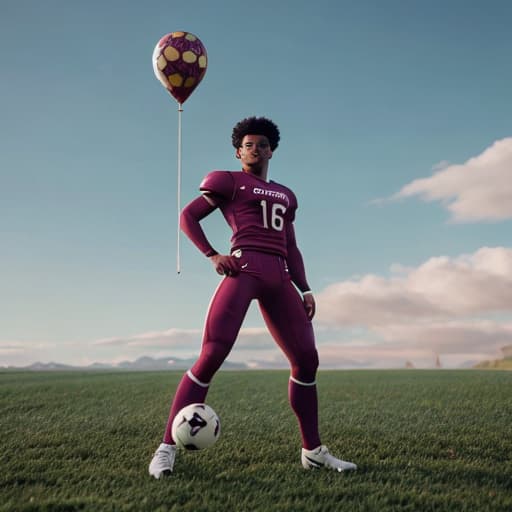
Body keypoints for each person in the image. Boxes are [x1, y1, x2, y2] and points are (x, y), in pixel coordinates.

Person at [149, 116, 357, 478]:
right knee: (213, 354)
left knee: (307, 360)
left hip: (280, 275)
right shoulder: (228, 181)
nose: (256, 149)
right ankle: (166, 448)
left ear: (271, 150)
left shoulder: (286, 194)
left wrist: (304, 286)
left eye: (262, 144)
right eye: (249, 144)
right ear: (238, 151)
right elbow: (188, 217)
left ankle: (312, 451)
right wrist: (213, 255)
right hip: (243, 270)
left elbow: (291, 245)